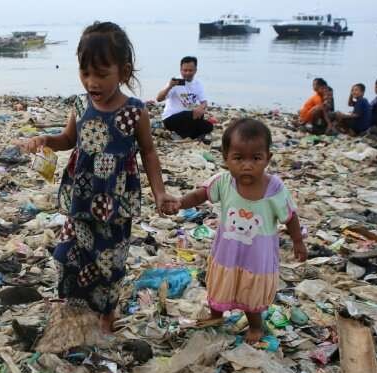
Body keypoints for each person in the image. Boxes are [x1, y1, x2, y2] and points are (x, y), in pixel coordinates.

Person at [19, 21, 176, 333]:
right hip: (82, 196)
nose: (92, 82)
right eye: (85, 72)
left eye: (102, 74)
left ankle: (107, 313)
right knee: (66, 254)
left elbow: (149, 153)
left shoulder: (135, 111)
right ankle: (73, 303)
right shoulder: (80, 104)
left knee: (109, 263)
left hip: (115, 201)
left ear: (124, 72)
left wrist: (160, 193)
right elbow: (68, 139)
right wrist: (45, 140)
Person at [165, 118, 308, 342]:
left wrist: (298, 242)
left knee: (252, 294)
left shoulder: (275, 188)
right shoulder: (223, 182)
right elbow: (200, 195)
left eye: (256, 158)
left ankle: (255, 326)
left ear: (268, 158)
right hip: (227, 254)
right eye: (239, 158)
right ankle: (216, 315)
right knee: (219, 288)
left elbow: (290, 216)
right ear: (226, 158)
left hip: (257, 258)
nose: (247, 165)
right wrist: (179, 203)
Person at [156, 56, 213, 140]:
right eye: (185, 70)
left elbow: (204, 102)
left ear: (195, 70)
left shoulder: (198, 83)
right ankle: (188, 134)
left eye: (190, 70)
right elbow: (158, 99)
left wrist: (201, 108)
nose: (187, 73)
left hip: (189, 118)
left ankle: (185, 134)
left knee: (208, 126)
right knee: (190, 115)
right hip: (171, 118)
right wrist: (169, 87)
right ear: (180, 70)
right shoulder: (175, 82)